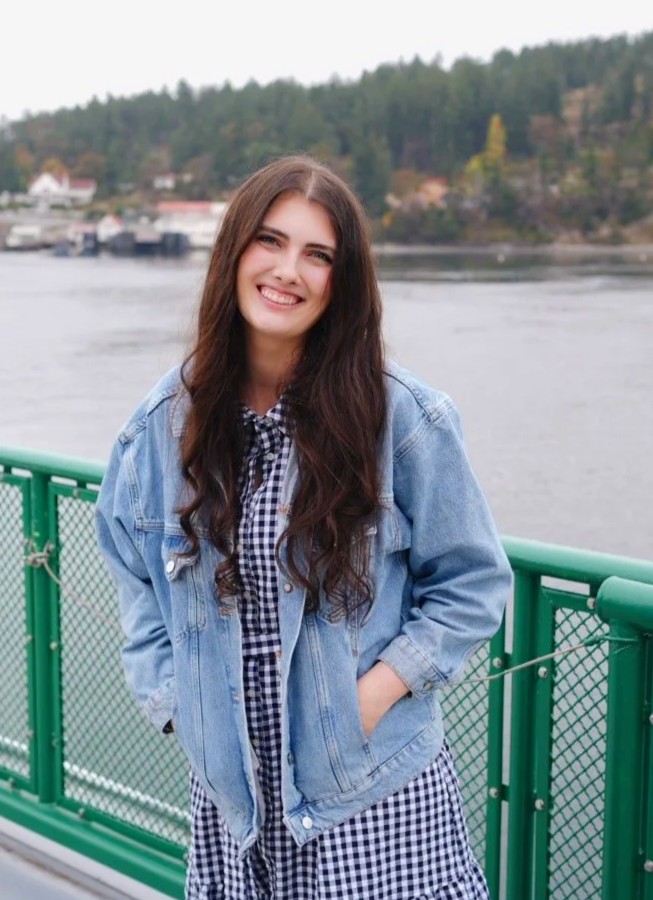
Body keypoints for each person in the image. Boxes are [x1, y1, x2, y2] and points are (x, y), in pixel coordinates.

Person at [95, 156, 512, 900]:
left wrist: (375, 695)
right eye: (269, 241)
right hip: (235, 810)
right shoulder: (160, 429)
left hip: (370, 797)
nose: (288, 270)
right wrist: (176, 707)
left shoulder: (403, 420)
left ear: (340, 281)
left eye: (317, 255)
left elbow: (473, 583)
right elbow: (132, 571)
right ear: (233, 253)